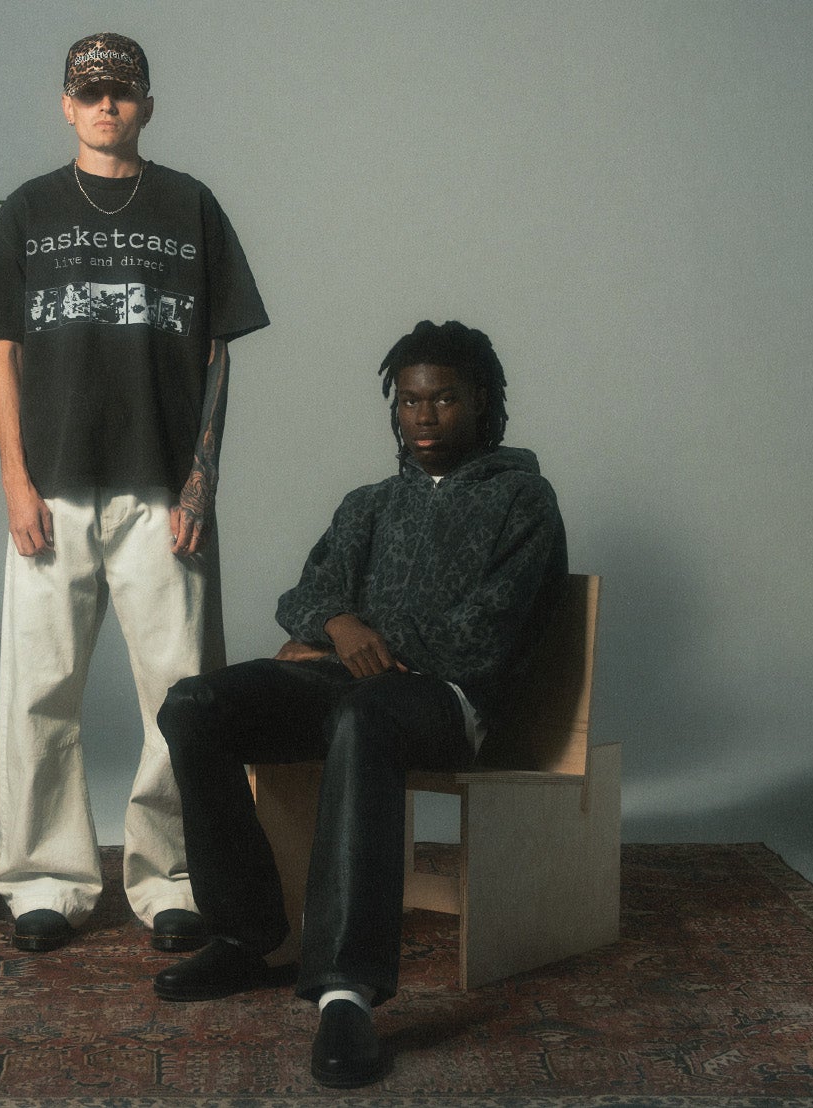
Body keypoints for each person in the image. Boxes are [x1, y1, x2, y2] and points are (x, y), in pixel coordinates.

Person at [150, 320, 567, 1088]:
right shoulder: (370, 503)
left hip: (449, 702)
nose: (424, 417)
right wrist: (341, 626)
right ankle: (247, 938)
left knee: (361, 714)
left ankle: (346, 994)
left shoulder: (523, 501)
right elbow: (305, 597)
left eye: (443, 399)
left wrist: (362, 638)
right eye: (409, 401)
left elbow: (483, 637)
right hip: (349, 689)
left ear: (481, 400)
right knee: (195, 704)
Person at [0, 33, 270, 954]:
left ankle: (173, 878)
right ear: (66, 104)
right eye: (90, 93)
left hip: (162, 492)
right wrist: (14, 481)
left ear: (147, 106)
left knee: (182, 698)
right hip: (52, 491)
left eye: (121, 93)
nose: (105, 106)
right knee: (38, 693)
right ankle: (43, 881)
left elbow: (217, 352)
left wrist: (202, 480)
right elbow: (5, 352)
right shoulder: (29, 209)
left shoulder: (190, 205)